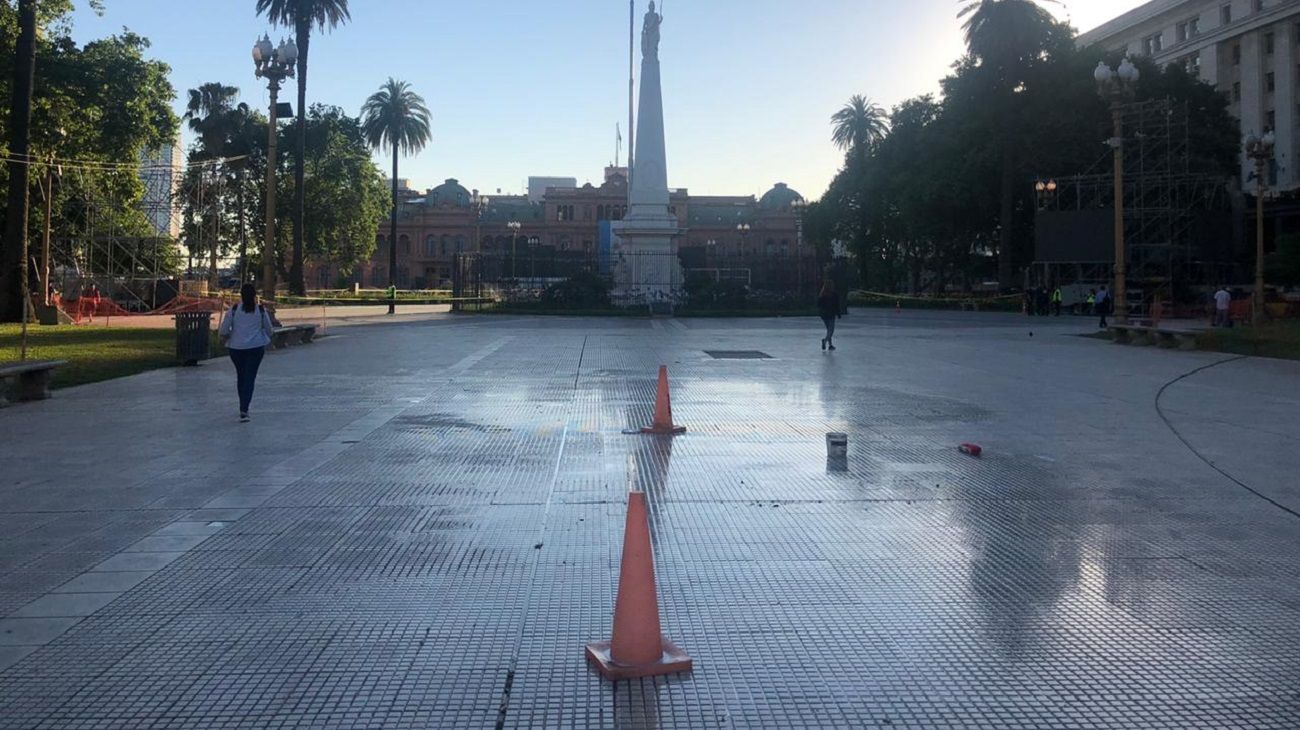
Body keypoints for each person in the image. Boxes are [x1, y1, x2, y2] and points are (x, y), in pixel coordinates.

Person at [219, 283, 275, 422]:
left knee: (241, 376)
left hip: (236, 348)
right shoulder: (261, 311)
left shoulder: (234, 310)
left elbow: (224, 330)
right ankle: (244, 408)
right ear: (255, 295)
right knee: (250, 377)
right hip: (255, 348)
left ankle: (242, 405)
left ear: (241, 296)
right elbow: (270, 330)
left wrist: (227, 336)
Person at [817, 281, 840, 351]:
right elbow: (837, 305)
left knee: (828, 330)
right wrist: (838, 313)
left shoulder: (822, 294)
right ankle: (825, 340)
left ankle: (830, 345)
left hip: (824, 315)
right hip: (831, 313)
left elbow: (818, 305)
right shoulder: (834, 294)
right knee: (831, 330)